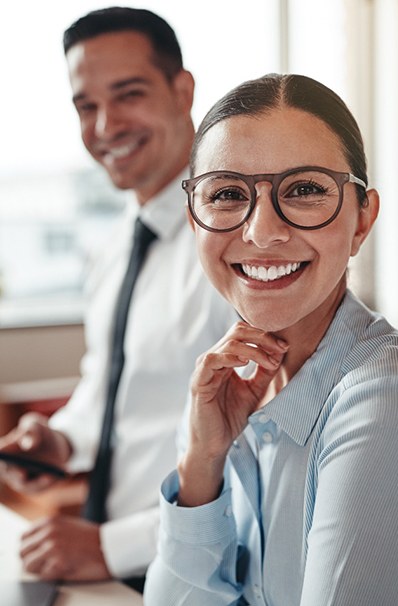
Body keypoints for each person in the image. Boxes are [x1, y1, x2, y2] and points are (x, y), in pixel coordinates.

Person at [143, 73, 398, 605]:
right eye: (228, 194)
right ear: (194, 220)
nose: (261, 231)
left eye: (304, 190)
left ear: (362, 218)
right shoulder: (229, 392)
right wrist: (201, 463)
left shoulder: (395, 401)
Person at [0, 6, 235, 591]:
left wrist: (110, 545)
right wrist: (60, 440)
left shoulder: (237, 250)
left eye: (128, 94)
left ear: (183, 91)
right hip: (105, 563)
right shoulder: (110, 253)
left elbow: (259, 453)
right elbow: (108, 392)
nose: (105, 125)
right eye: (85, 106)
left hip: (190, 570)